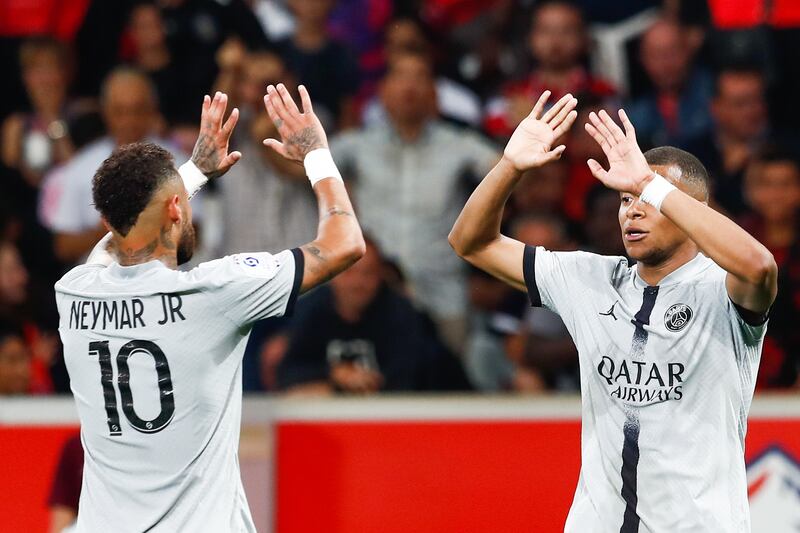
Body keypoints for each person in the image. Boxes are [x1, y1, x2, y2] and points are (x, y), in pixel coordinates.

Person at [449, 90, 777, 531]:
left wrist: (650, 185)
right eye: (625, 199)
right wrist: (509, 168)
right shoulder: (588, 279)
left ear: (689, 210)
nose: (632, 212)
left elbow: (760, 266)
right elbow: (471, 242)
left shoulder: (723, 289)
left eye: (647, 201)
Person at [53, 85, 364, 531]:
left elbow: (116, 240)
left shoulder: (74, 293)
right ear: (177, 209)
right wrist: (316, 153)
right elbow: (344, 245)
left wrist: (193, 173)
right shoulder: (217, 295)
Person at [331, 50, 499, 351]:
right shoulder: (358, 145)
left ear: (434, 93)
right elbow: (305, 166)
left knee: (453, 386)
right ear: (382, 91)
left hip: (444, 293)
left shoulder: (459, 144)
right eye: (400, 77)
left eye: (419, 78)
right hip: (377, 293)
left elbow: (509, 171)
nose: (409, 87)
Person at [39, 67, 183, 264]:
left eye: (137, 110)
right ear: (105, 112)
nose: (129, 120)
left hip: (163, 286)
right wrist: (108, 231)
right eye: (120, 111)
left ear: (152, 109)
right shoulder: (80, 168)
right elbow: (63, 246)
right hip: (100, 289)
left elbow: (195, 235)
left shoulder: (178, 163)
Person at [278, 238, 457, 394]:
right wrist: (333, 375)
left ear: (381, 276)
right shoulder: (311, 310)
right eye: (349, 272)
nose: (358, 283)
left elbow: (409, 380)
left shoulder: (403, 314)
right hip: (328, 417)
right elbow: (289, 374)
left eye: (368, 273)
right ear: (332, 274)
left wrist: (360, 384)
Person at [483, 0, 615, 139]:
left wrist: (536, 120)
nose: (555, 40)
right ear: (529, 38)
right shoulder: (511, 93)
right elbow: (490, 125)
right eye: (545, 31)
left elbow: (604, 137)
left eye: (567, 31)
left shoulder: (602, 92)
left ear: (584, 39)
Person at [685, 66, 769, 217]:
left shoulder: (785, 149)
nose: (751, 111)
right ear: (716, 108)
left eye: (756, 100)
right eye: (741, 103)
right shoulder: (693, 154)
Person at [627, 18, 713, 150]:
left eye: (672, 52)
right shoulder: (636, 117)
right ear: (642, 59)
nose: (666, 65)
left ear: (688, 50)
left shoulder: (715, 95)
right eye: (656, 55)